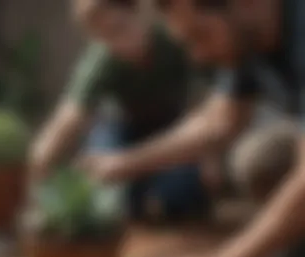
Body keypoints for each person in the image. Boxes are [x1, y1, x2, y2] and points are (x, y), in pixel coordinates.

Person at [79, 0, 305, 257]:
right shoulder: (247, 35)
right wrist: (125, 163)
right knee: (260, 161)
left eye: (201, 34)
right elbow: (220, 120)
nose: (198, 56)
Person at [29, 0, 213, 223]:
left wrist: (209, 156)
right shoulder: (101, 60)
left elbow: (210, 105)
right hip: (122, 127)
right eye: (104, 37)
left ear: (138, 13)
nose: (117, 44)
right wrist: (39, 172)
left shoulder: (175, 41)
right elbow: (67, 119)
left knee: (181, 196)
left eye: (119, 28)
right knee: (109, 201)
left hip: (173, 126)